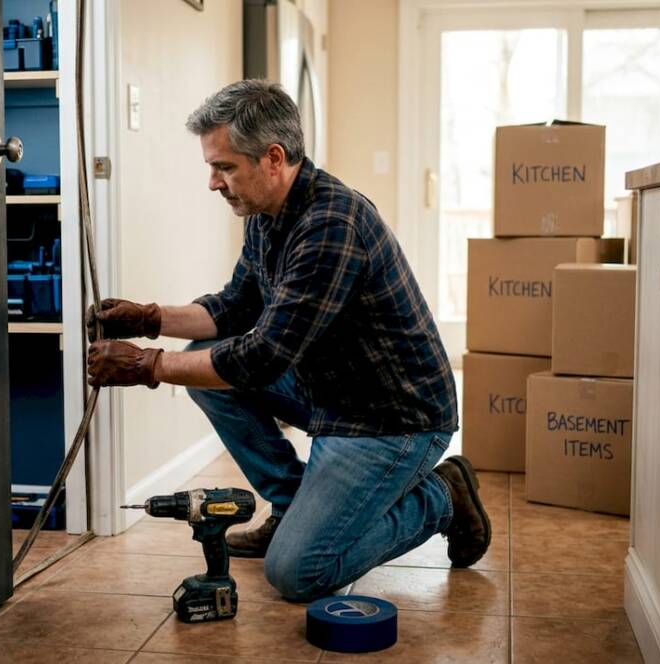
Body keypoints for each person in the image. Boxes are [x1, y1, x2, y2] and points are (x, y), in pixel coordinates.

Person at [86, 79, 490, 602]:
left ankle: (442, 497)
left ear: (273, 158)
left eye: (224, 166)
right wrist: (148, 317)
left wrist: (148, 366)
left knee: (300, 572)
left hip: (392, 418)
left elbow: (262, 356)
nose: (213, 182)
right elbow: (234, 307)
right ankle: (292, 505)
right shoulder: (268, 214)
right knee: (204, 372)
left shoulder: (331, 224)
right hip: (331, 390)